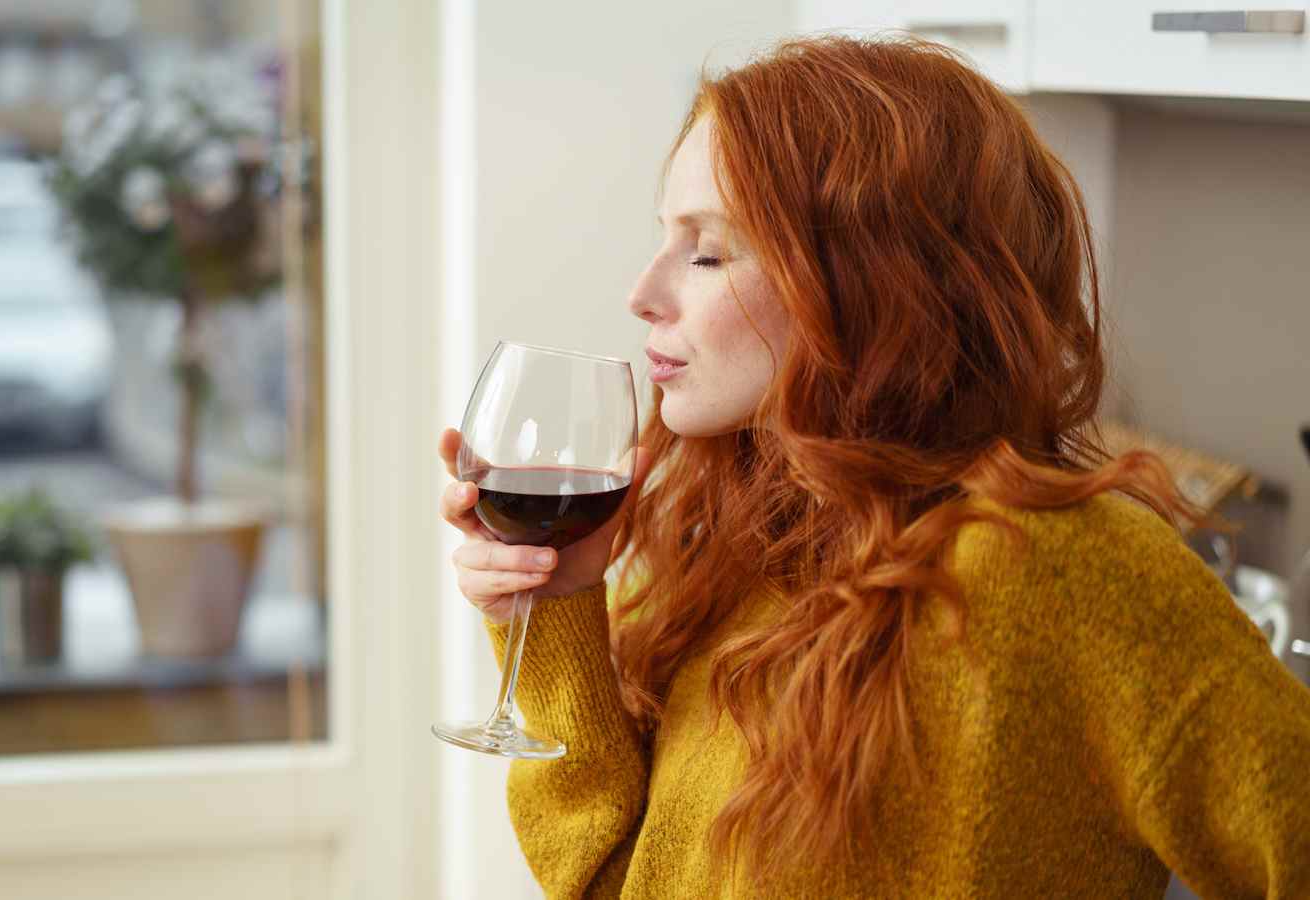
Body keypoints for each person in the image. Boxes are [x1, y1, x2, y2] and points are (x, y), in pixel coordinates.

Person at [437, 33, 1310, 899]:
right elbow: (617, 883)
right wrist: (555, 608)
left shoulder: (1060, 572)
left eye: (706, 251)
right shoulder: (732, 560)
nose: (643, 291)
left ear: (867, 280)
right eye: (667, 238)